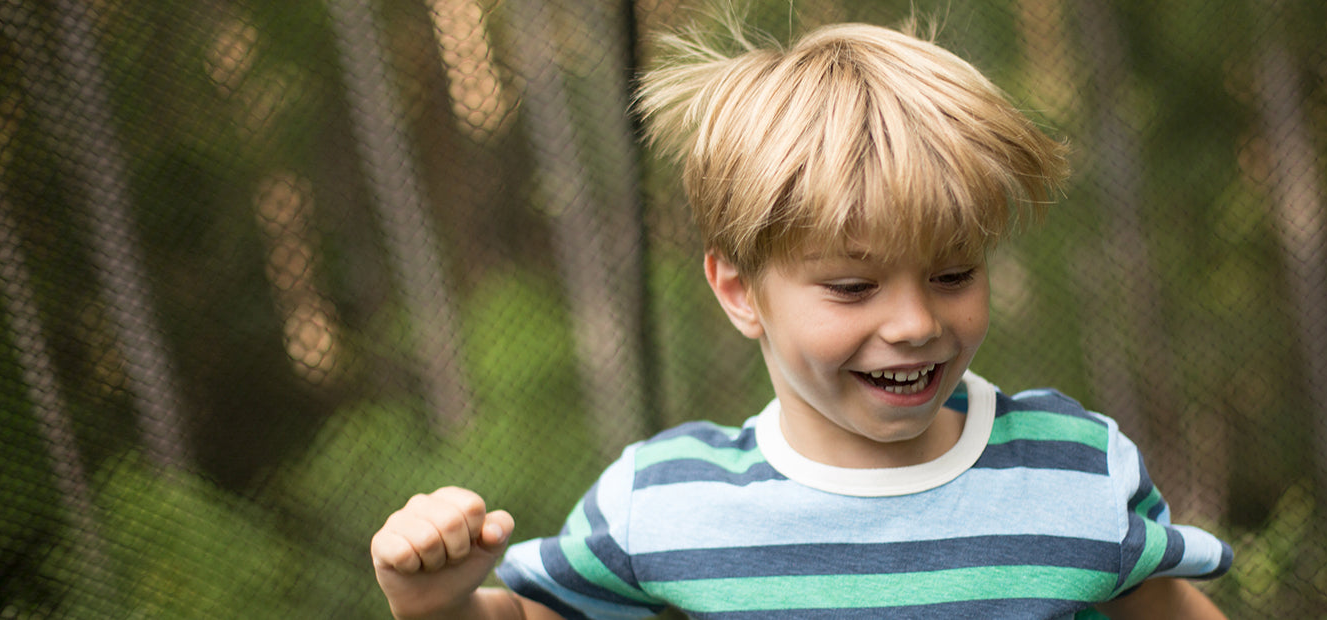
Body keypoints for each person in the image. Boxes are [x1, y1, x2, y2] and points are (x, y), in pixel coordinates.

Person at [371, 17, 1232, 620]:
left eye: (953, 272)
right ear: (741, 292)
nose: (914, 322)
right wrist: (435, 601)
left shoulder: (1074, 468)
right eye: (852, 288)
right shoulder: (666, 501)